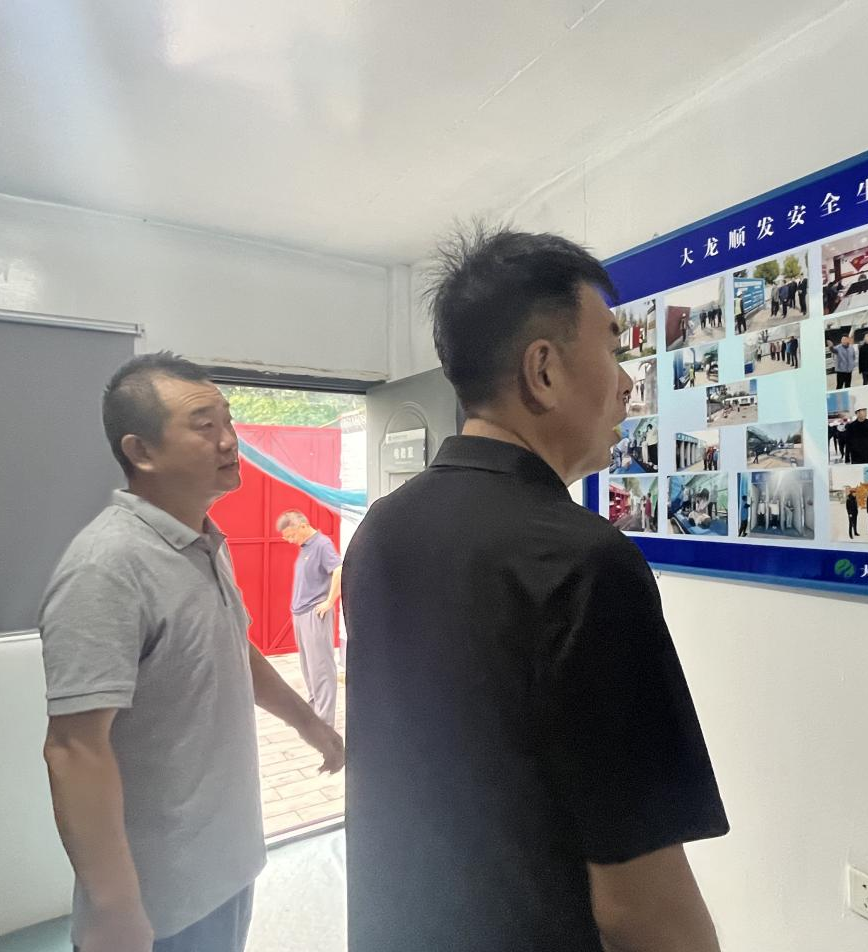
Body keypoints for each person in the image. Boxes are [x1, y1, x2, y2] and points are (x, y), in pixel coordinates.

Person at [341, 226, 727, 952]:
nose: (627, 383)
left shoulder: (381, 528)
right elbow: (642, 905)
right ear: (543, 371)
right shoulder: (583, 563)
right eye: (613, 349)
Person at [39, 353, 344, 952]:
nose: (230, 441)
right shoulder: (107, 566)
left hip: (225, 868)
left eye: (228, 421)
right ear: (141, 451)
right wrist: (116, 907)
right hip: (159, 904)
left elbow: (233, 650)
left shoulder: (203, 542)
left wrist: (312, 725)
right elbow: (74, 749)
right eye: (205, 426)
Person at [277, 510, 343, 727]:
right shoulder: (306, 547)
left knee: (321, 668)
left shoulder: (322, 545)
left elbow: (338, 570)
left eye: (291, 535)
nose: (290, 540)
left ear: (303, 526)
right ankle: (314, 711)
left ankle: (324, 722)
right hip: (300, 614)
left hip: (315, 614)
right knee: (308, 667)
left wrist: (330, 601)